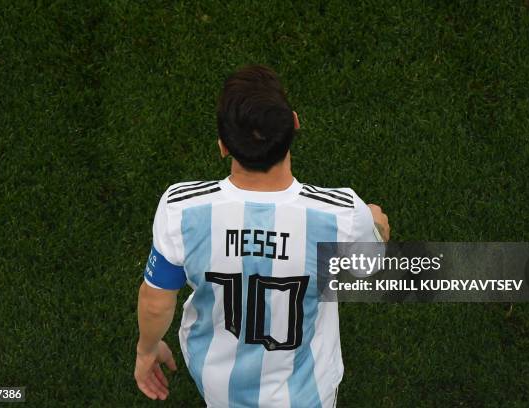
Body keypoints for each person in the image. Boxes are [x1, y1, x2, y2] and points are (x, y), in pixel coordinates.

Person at [134, 64, 390, 407]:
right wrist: (376, 224)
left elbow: (156, 300)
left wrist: (146, 350)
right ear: (295, 125)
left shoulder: (181, 208)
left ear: (223, 146)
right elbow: (368, 266)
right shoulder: (342, 214)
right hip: (307, 394)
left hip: (217, 385)